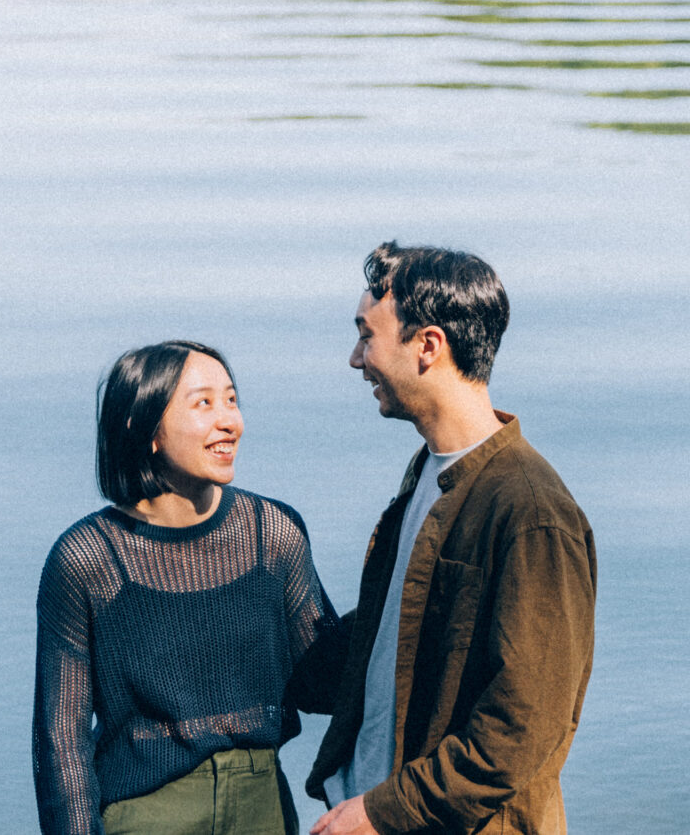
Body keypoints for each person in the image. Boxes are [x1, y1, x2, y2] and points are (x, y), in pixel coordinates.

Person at [299, 243, 596, 835]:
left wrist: (383, 813)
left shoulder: (530, 511)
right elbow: (400, 635)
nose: (357, 359)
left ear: (428, 345)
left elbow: (521, 725)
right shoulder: (429, 476)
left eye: (367, 335)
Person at [36, 340, 337, 835]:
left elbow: (322, 682)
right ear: (144, 427)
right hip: (144, 815)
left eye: (232, 399)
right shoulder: (86, 558)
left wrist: (407, 588)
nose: (229, 421)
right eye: (204, 403)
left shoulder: (273, 533)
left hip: (263, 809)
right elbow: (61, 744)